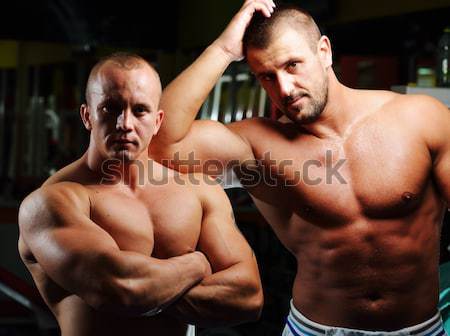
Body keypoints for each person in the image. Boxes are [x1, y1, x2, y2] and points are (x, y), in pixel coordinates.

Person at [150, 0, 450, 335]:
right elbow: (161, 146)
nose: (284, 89)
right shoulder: (257, 147)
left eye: (292, 65)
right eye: (267, 76)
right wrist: (222, 49)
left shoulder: (421, 118)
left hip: (421, 329)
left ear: (324, 51)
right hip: (314, 329)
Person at [18, 53, 263, 336]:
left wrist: (148, 290)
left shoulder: (199, 191)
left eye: (140, 110)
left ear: (158, 121)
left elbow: (248, 296)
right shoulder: (50, 203)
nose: (125, 123)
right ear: (87, 116)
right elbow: (120, 289)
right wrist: (196, 263)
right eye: (111, 108)